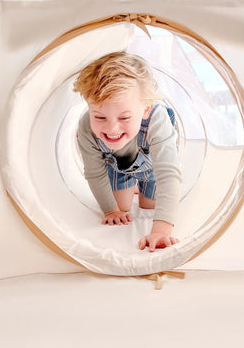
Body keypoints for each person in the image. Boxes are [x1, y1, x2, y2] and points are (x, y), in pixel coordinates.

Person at [73, 51, 182, 252]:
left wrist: (162, 230)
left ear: (146, 109)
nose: (112, 129)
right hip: (118, 169)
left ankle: (141, 185)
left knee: (149, 207)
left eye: (124, 118)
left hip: (152, 170)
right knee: (121, 210)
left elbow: (167, 172)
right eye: (99, 117)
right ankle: (131, 184)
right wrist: (110, 210)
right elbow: (94, 172)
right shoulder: (86, 127)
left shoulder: (156, 118)